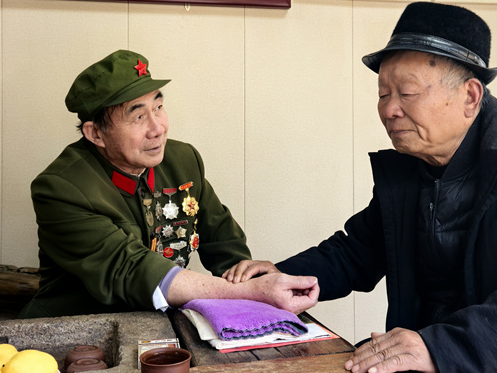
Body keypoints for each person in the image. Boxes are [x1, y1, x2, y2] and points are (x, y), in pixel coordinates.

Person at [222, 2, 497, 373]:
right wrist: (279, 278)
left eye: (406, 93)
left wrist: (438, 345)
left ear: (470, 96)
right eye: (382, 94)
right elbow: (357, 250)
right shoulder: (411, 169)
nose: (389, 110)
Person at [19, 50, 318, 318]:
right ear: (95, 134)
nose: (158, 128)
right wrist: (250, 293)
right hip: (77, 336)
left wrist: (248, 277)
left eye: (159, 107)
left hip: (162, 329)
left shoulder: (183, 160)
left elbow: (224, 243)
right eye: (138, 116)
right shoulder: (61, 188)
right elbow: (132, 270)